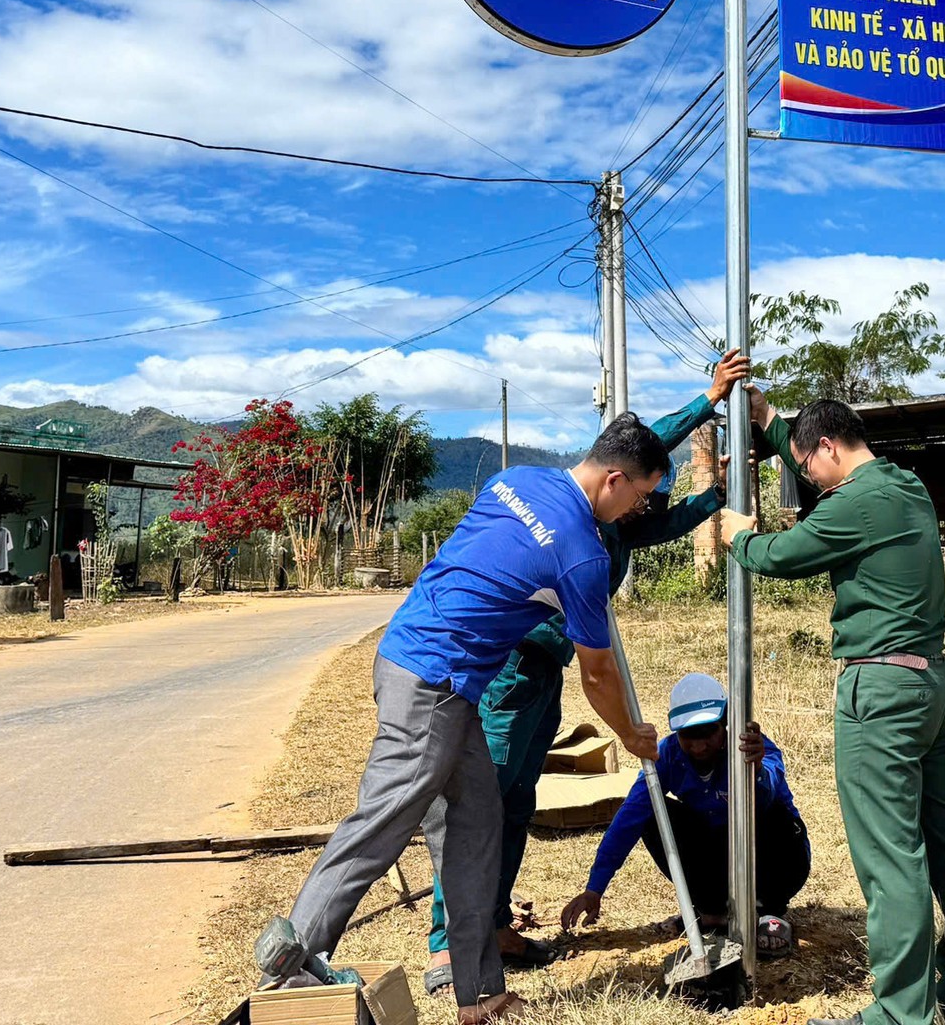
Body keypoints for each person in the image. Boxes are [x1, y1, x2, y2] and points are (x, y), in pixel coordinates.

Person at [264, 414, 671, 1025]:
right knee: (385, 817)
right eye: (639, 497)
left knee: (476, 822)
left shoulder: (519, 480)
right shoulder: (582, 553)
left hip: (424, 668)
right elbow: (597, 675)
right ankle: (293, 956)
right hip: (433, 682)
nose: (636, 512)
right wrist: (630, 734)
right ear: (614, 479)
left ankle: (476, 992)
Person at [418, 351, 755, 995]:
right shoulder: (578, 510)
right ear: (615, 483)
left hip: (546, 676)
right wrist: (708, 400)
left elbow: (675, 509)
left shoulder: (624, 530)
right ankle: (445, 947)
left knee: (517, 802)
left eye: (650, 496)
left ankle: (491, 924)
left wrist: (722, 496)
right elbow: (641, 443)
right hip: (510, 669)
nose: (645, 501)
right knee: (477, 803)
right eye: (640, 490)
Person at [718, 395, 945, 1025]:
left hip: (880, 695)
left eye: (807, 466)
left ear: (827, 449)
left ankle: (902, 1014)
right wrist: (769, 422)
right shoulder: (905, 486)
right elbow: (816, 460)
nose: (810, 482)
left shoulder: (855, 503)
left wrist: (739, 537)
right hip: (931, 684)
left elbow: (780, 557)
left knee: (891, 856)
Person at [559, 673, 812, 957]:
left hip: (773, 860)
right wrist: (595, 888)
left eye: (708, 734)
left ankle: (768, 909)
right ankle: (712, 912)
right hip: (718, 857)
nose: (699, 746)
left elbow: (769, 791)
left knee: (773, 811)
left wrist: (755, 773)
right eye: (688, 737)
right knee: (653, 810)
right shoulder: (667, 756)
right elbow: (627, 820)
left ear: (725, 724)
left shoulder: (753, 748)